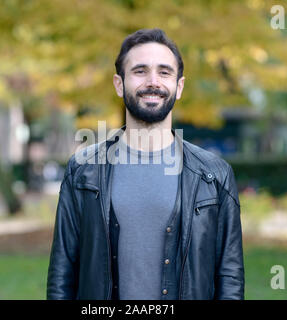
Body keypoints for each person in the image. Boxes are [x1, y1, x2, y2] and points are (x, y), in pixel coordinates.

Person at [47, 28, 244, 300]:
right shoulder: (82, 169)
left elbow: (230, 275)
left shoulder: (214, 174)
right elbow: (62, 271)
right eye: (140, 71)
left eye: (164, 72)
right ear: (119, 84)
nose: (153, 82)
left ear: (179, 86)